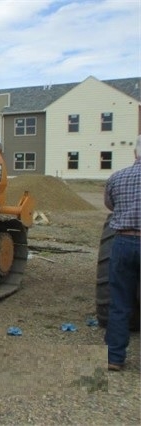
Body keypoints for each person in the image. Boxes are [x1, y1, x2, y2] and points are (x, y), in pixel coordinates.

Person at [103, 135, 141, 371]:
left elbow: (110, 205)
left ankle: (115, 358)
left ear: (135, 153)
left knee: (119, 302)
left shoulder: (117, 177)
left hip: (123, 242)